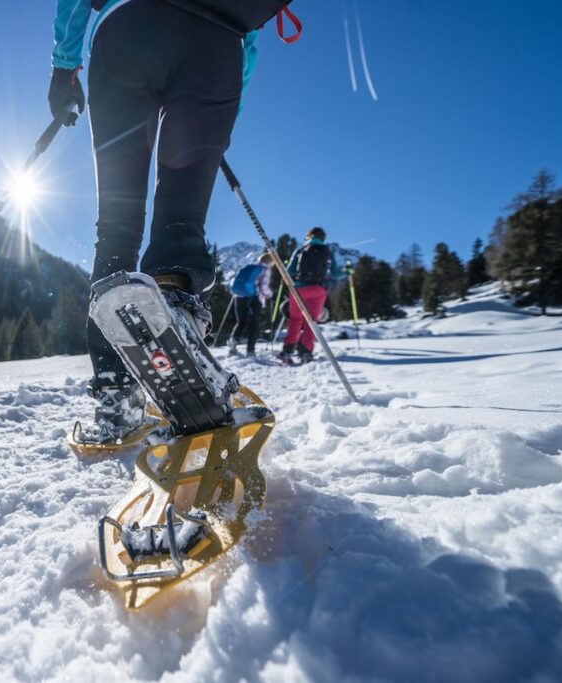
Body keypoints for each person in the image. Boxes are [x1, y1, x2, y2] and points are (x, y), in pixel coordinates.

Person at [48, 0, 280, 442]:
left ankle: (117, 394)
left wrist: (65, 65)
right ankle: (177, 314)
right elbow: (250, 41)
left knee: (116, 226)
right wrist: (219, 122)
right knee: (181, 220)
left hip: (127, 29)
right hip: (219, 42)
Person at [280, 226, 344, 364]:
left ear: (308, 236)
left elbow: (289, 271)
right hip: (318, 290)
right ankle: (306, 353)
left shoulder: (300, 249)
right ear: (323, 238)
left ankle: (287, 352)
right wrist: (348, 272)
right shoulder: (327, 251)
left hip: (299, 289)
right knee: (311, 321)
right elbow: (336, 274)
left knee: (295, 320)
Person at [229, 254, 273, 356]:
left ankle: (233, 344)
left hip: (238, 297)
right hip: (253, 299)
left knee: (241, 322)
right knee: (253, 324)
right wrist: (270, 295)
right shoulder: (265, 269)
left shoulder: (249, 267)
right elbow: (264, 287)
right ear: (270, 262)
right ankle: (250, 350)